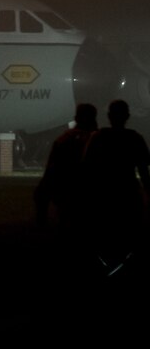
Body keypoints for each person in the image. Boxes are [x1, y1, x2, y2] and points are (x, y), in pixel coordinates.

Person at [82, 99, 150, 265]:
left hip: (104, 196)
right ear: (127, 116)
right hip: (128, 195)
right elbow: (144, 172)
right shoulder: (135, 138)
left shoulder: (97, 138)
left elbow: (86, 168)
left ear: (109, 116)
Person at [33, 103, 99, 251]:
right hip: (93, 198)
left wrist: (43, 197)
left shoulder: (64, 140)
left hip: (68, 197)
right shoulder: (101, 140)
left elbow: (51, 171)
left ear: (76, 118)